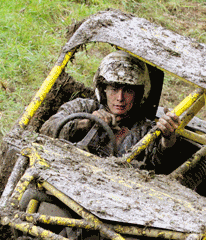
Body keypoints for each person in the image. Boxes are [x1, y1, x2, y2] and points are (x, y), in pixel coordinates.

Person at [40, 51, 180, 167]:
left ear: (138, 95)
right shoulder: (82, 107)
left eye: (128, 91)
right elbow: (47, 129)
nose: (120, 98)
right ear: (103, 90)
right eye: (114, 89)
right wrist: (86, 123)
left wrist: (167, 137)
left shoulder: (144, 129)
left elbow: (159, 163)